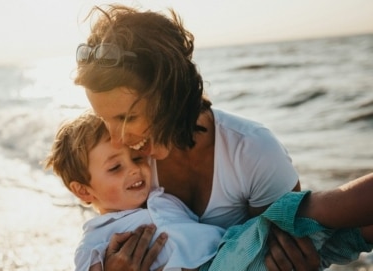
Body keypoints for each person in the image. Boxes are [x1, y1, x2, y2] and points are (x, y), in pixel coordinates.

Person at [73, 4, 322, 270]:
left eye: (126, 118)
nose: (116, 139)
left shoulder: (253, 151)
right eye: (103, 118)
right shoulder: (129, 167)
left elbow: (287, 248)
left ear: (171, 96)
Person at [44, 111, 373, 271]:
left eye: (135, 157)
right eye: (115, 168)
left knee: (347, 234)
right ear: (83, 191)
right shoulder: (97, 238)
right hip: (219, 265)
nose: (134, 169)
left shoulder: (161, 197)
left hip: (234, 250)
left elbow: (213, 230)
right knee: (311, 212)